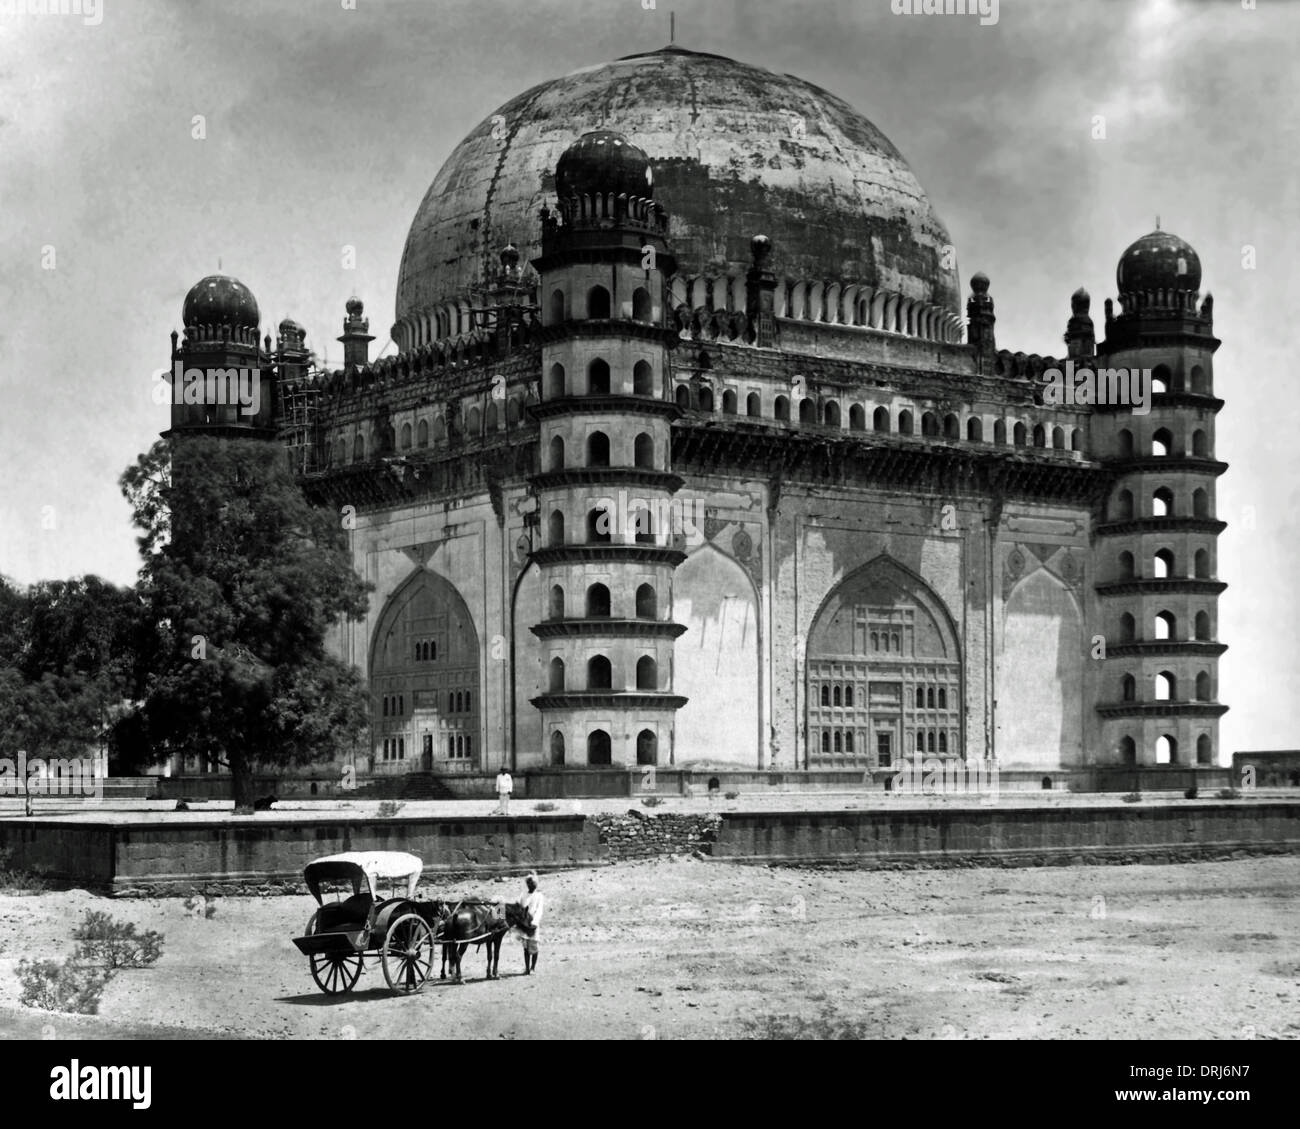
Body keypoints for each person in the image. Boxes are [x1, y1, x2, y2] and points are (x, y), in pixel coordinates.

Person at [519, 872, 544, 974]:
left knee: (534, 946)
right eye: (529, 883)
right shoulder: (523, 895)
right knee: (525, 947)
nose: (531, 885)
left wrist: (534, 922)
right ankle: (527, 968)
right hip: (525, 924)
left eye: (532, 883)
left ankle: (533, 967)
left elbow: (539, 910)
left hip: (533, 924)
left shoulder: (539, 896)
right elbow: (519, 907)